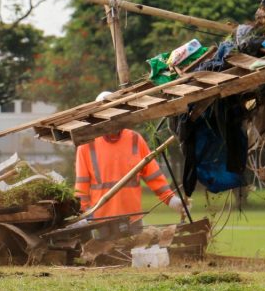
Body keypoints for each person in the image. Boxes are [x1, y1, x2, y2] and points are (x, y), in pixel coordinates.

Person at [75, 91, 186, 220]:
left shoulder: (135, 140)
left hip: (133, 219)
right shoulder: (87, 145)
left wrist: (170, 199)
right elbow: (81, 186)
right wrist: (82, 213)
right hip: (101, 221)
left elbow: (153, 176)